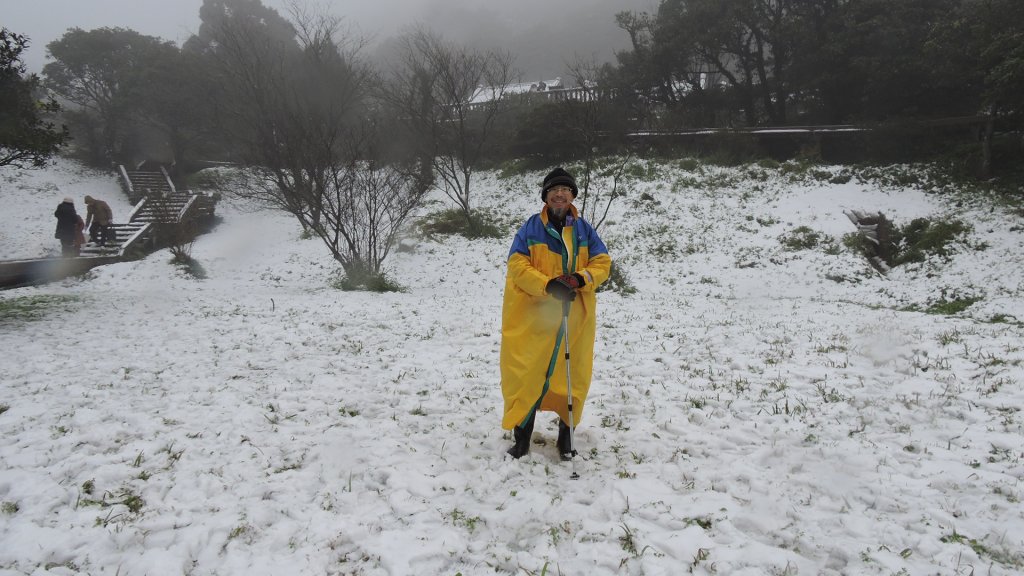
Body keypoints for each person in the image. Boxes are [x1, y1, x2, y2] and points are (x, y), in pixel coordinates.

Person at [500, 167, 612, 460]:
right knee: (526, 374)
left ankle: (566, 437)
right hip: (534, 316)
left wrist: (578, 279)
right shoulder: (530, 229)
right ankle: (521, 438)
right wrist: (548, 285)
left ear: (573, 195)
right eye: (553, 190)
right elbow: (517, 266)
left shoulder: (585, 231)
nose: (559, 194)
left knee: (572, 375)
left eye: (564, 190)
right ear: (546, 197)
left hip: (574, 316)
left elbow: (602, 263)